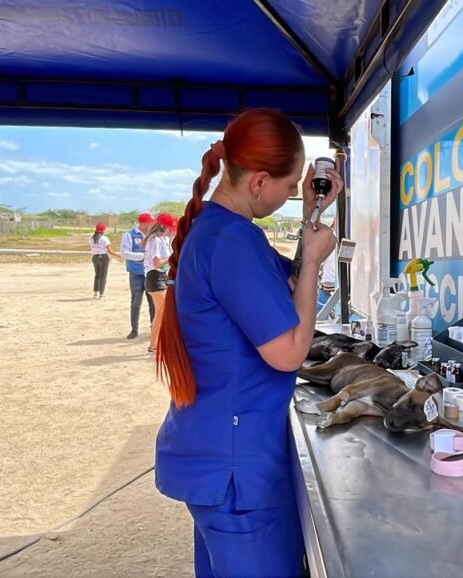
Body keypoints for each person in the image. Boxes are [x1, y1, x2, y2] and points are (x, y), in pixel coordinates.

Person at [153, 108, 340, 578]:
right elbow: (289, 351)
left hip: (223, 456)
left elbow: (286, 292)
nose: (292, 194)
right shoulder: (231, 241)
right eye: (290, 184)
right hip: (237, 470)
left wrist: (312, 220)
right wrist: (317, 262)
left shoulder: (225, 233)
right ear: (258, 182)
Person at [143, 212, 177, 354]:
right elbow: (157, 263)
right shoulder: (155, 240)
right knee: (161, 312)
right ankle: (155, 344)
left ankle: (156, 344)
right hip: (155, 277)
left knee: (163, 311)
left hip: (162, 276)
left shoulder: (163, 240)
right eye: (170, 228)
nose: (171, 230)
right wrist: (171, 256)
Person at [121, 213, 157, 339]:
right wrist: (142, 257)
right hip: (136, 273)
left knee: (152, 302)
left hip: (149, 273)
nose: (152, 225)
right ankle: (134, 329)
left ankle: (154, 328)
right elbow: (124, 253)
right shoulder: (129, 235)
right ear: (144, 223)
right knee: (136, 302)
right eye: (150, 223)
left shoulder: (152, 235)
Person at [89, 223, 119, 300]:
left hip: (95, 257)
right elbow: (110, 251)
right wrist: (118, 255)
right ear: (103, 230)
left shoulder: (91, 238)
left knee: (97, 275)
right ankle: (102, 294)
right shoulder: (104, 238)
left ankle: (96, 292)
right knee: (103, 276)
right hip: (103, 257)